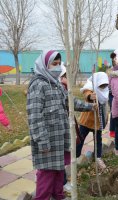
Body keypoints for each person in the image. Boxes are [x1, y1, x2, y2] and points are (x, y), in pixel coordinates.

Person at [27, 50, 69, 200]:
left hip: (59, 139)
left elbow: (68, 102)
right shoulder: (38, 85)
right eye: (54, 64)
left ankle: (58, 196)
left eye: (59, 64)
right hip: (47, 142)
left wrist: (89, 105)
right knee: (46, 175)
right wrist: (42, 141)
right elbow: (35, 117)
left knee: (59, 171)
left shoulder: (56, 84)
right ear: (45, 65)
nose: (57, 68)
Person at [58, 64, 96, 192]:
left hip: (64, 125)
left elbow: (72, 101)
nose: (67, 79)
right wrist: (90, 106)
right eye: (64, 77)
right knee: (59, 157)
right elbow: (73, 102)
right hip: (58, 128)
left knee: (62, 156)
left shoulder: (63, 88)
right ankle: (61, 183)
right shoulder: (60, 88)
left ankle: (61, 181)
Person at [76, 72, 109, 169]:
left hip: (98, 121)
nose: (103, 87)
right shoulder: (91, 86)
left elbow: (105, 103)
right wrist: (91, 97)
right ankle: (76, 156)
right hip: (87, 120)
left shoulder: (105, 90)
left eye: (105, 85)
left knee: (98, 140)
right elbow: (86, 94)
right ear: (97, 82)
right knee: (80, 138)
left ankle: (98, 157)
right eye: (101, 85)